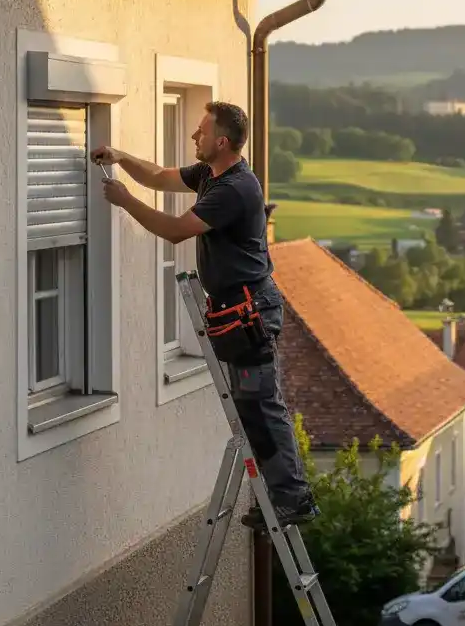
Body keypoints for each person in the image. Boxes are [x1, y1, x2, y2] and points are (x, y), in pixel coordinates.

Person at [90, 101, 318, 529]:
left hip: (250, 311)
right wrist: (120, 157)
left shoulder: (234, 189)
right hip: (237, 310)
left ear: (222, 141)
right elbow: (159, 176)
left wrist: (124, 201)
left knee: (262, 405)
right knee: (252, 408)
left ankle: (293, 497)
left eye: (202, 131)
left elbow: (176, 230)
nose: (195, 136)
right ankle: (280, 495)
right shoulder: (210, 176)